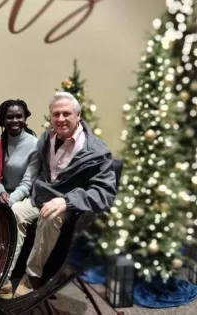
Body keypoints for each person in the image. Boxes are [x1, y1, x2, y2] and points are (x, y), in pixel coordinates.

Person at [9, 91, 117, 298]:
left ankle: (32, 276)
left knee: (49, 216)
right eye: (56, 114)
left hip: (68, 206)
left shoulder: (97, 151)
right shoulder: (45, 138)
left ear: (78, 115)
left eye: (66, 114)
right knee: (14, 212)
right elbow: (36, 171)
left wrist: (67, 201)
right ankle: (6, 272)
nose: (60, 119)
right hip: (39, 198)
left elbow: (105, 192)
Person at [0, 99, 40, 299]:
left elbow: (28, 182)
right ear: (2, 120)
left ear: (25, 118)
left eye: (18, 116)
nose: (14, 120)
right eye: (10, 117)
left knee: (10, 216)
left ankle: (4, 277)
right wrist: (0, 190)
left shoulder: (34, 144)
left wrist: (9, 200)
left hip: (24, 196)